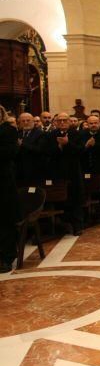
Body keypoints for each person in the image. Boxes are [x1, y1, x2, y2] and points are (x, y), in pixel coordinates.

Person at [46, 112, 85, 235]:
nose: (62, 122)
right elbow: (46, 152)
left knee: (75, 198)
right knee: (59, 198)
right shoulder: (51, 135)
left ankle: (77, 225)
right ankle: (61, 224)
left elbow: (81, 151)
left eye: (64, 120)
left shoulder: (76, 134)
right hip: (57, 172)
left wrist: (68, 144)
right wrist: (58, 146)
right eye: (59, 120)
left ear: (69, 121)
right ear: (56, 122)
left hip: (73, 171)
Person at [0, 105, 20, 273]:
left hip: (4, 181)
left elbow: (11, 152)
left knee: (5, 220)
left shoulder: (8, 130)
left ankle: (7, 257)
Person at [15, 112, 48, 182]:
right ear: (19, 123)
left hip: (35, 170)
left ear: (33, 121)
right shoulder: (17, 134)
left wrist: (22, 144)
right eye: (23, 121)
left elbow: (40, 150)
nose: (26, 123)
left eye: (28, 120)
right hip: (19, 171)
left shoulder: (40, 134)